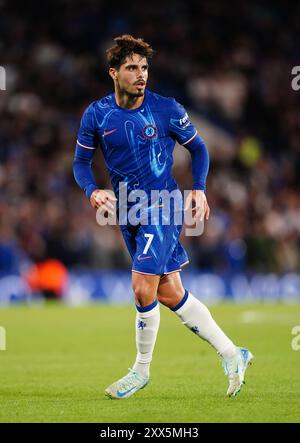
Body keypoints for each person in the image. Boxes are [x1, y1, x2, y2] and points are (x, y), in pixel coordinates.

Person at [73, 34, 253, 399]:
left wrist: (199, 188)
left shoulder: (166, 108)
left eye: (144, 68)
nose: (141, 75)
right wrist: (93, 191)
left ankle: (140, 371)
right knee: (170, 293)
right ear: (113, 72)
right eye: (132, 68)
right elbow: (80, 163)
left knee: (142, 287)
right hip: (128, 211)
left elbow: (199, 148)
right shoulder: (97, 114)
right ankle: (234, 354)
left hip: (164, 207)